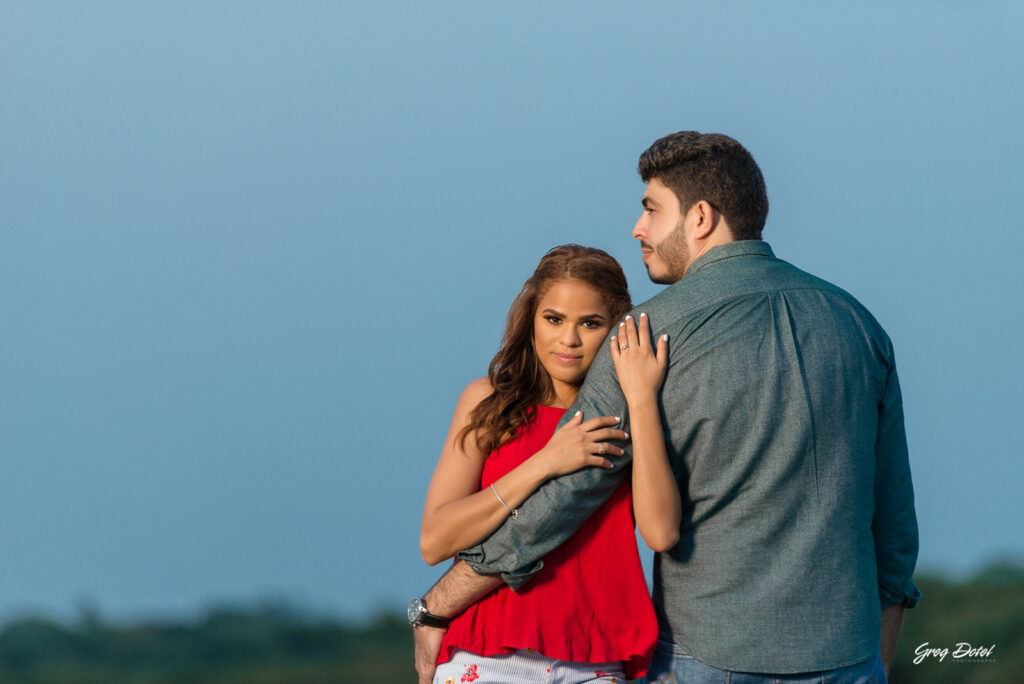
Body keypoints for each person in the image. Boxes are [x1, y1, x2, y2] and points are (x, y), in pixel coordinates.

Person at [412, 132, 920, 684]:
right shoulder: (860, 326)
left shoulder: (647, 333)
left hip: (708, 657)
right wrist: (877, 661)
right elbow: (894, 530)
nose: (639, 228)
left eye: (651, 209)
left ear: (700, 217)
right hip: (847, 654)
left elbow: (564, 498)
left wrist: (437, 604)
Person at [415, 244, 680, 683]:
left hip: (597, 658)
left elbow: (660, 531)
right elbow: (434, 540)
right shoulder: (486, 402)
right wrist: (546, 461)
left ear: (616, 328)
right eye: (553, 319)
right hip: (491, 656)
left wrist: (641, 398)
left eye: (590, 323)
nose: (569, 340)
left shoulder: (630, 415)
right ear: (532, 319)